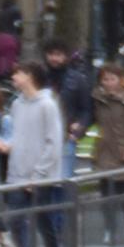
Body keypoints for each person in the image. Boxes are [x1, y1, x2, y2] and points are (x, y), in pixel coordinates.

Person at [1, 60, 66, 247]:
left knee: (44, 222)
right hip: (17, 175)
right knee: (16, 222)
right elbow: (17, 135)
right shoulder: (16, 105)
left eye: (17, 73)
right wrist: (8, 146)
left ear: (29, 76)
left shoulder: (47, 105)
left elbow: (53, 142)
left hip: (40, 177)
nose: (13, 78)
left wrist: (38, 175)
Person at [90, 64, 124, 242]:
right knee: (105, 191)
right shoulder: (97, 97)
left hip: (122, 149)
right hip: (104, 150)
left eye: (112, 79)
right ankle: (108, 226)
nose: (109, 83)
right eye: (105, 79)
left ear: (120, 80)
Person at [45, 38, 93, 178]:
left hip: (66, 136)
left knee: (64, 178)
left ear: (66, 56)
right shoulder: (41, 78)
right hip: (43, 137)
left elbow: (87, 109)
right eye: (51, 54)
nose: (54, 58)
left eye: (58, 54)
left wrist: (79, 129)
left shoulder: (78, 79)